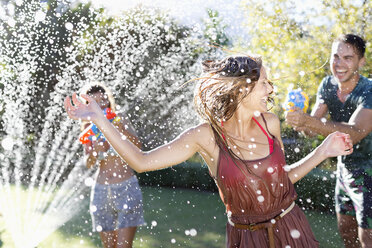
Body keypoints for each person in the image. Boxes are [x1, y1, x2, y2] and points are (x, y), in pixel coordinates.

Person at [65, 56, 353, 248]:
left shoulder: (271, 123)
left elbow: (281, 179)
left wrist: (323, 151)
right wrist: (100, 119)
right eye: (264, 82)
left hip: (293, 227)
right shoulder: (205, 136)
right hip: (247, 237)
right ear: (241, 89)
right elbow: (141, 161)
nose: (270, 89)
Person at [285, 34, 372, 248]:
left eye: (347, 58)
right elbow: (312, 130)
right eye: (336, 56)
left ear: (361, 62)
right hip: (345, 173)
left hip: (370, 175)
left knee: (367, 240)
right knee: (348, 236)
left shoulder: (369, 90)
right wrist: (300, 119)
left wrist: (308, 122)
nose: (339, 64)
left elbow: (356, 132)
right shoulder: (327, 84)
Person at [80, 83, 145, 248]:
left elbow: (139, 147)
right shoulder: (89, 128)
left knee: (123, 246)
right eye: (95, 102)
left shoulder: (119, 118)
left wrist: (120, 130)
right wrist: (95, 151)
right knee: (109, 246)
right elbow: (88, 163)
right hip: (101, 190)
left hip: (126, 187)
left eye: (103, 101)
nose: (101, 105)